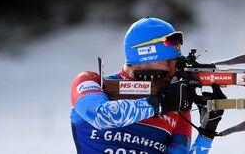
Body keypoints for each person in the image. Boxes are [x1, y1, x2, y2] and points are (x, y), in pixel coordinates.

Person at [70, 17, 226, 154]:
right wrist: (160, 104)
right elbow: (101, 116)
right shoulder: (91, 81)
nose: (174, 71)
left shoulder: (177, 108)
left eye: (176, 63)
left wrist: (206, 133)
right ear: (144, 57)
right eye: (168, 62)